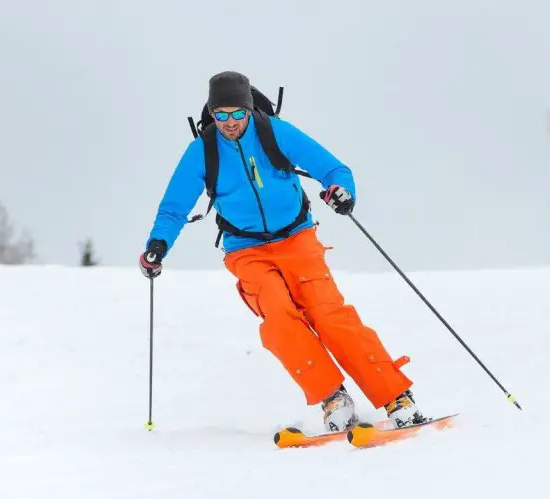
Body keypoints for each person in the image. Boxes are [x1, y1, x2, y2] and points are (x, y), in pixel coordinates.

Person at [138, 70, 426, 432]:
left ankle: (395, 397)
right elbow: (173, 207)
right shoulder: (202, 151)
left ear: (248, 109)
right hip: (246, 249)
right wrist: (157, 245)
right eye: (221, 115)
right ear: (211, 114)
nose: (230, 123)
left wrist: (340, 189)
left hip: (297, 237)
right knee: (278, 316)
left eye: (237, 114)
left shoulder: (276, 132)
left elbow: (333, 168)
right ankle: (333, 398)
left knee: (328, 313)